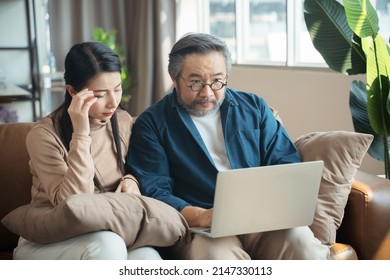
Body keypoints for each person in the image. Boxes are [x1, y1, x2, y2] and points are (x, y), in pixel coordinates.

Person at [127, 33, 330, 260]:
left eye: (217, 81)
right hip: (201, 228)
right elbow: (155, 191)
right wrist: (203, 216)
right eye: (195, 82)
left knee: (302, 244)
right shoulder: (152, 123)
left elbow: (285, 161)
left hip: (262, 219)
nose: (207, 92)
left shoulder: (255, 108)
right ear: (174, 78)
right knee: (216, 258)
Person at [13, 42, 162, 260]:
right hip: (48, 239)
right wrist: (81, 133)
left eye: (118, 89)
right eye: (100, 94)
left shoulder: (122, 121)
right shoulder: (43, 136)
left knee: (148, 257)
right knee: (108, 246)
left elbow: (139, 167)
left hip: (108, 229)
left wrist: (132, 180)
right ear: (73, 91)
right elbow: (72, 205)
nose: (113, 102)